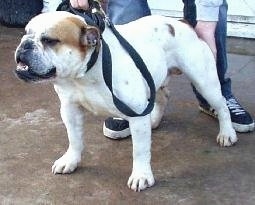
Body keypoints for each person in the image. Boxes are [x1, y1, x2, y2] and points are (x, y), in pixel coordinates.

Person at [70, 0, 254, 139]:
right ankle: (132, 102)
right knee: (126, 9)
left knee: (207, 78)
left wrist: (206, 22)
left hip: (180, 35)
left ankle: (220, 105)